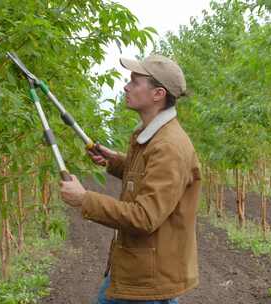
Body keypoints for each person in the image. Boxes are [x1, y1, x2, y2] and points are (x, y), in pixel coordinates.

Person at [59, 54, 201, 304]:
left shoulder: (169, 146)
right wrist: (114, 160)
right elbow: (150, 174)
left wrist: (85, 199)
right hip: (138, 269)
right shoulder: (152, 135)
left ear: (158, 94)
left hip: (148, 280)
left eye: (135, 82)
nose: (126, 86)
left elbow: (145, 217)